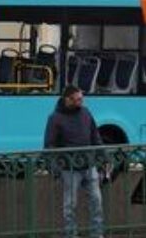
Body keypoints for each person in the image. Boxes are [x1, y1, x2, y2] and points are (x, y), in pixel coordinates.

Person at [44, 84, 105, 238]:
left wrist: (102, 158)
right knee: (70, 206)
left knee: (96, 202)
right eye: (78, 99)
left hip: (88, 165)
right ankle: (71, 234)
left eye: (81, 99)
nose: (81, 102)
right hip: (69, 168)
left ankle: (97, 234)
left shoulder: (85, 113)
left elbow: (95, 136)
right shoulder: (55, 118)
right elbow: (49, 145)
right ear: (68, 100)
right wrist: (55, 169)